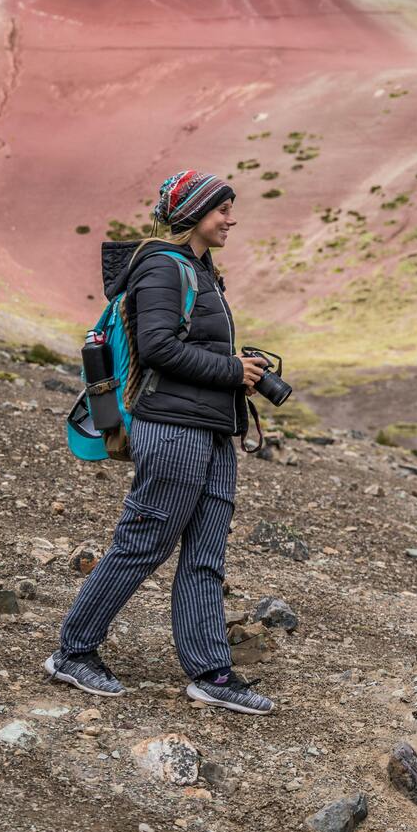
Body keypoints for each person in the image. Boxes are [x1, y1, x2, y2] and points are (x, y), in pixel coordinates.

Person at [44, 169, 274, 714]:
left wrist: (241, 370)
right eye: (222, 210)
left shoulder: (200, 270)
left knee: (205, 554)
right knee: (143, 542)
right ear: (194, 213)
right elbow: (158, 348)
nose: (230, 219)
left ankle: (210, 672)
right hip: (170, 431)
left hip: (212, 431)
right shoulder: (159, 267)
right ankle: (73, 652)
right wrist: (230, 370)